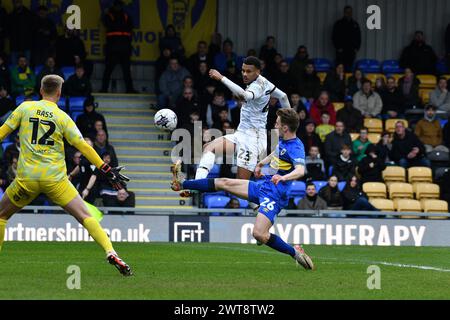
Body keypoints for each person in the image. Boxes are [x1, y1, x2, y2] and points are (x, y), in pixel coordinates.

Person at [0, 75, 132, 275]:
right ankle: (110, 251)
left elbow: (2, 132)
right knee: (86, 216)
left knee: (1, 216)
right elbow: (83, 147)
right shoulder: (62, 117)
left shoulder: (24, 108)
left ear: (41, 90)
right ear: (59, 94)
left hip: (27, 179)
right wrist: (105, 168)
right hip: (55, 181)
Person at [171, 108, 314, 270]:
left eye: (278, 123)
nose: (275, 124)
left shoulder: (296, 147)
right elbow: (277, 152)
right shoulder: (284, 141)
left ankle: (294, 251)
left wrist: (283, 177)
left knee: (259, 234)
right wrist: (261, 163)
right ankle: (182, 184)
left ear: (285, 128)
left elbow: (300, 170)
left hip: (275, 195)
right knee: (224, 182)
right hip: (264, 186)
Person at [192, 56, 290, 183]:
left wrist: (222, 78)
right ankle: (196, 184)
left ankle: (260, 203)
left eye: (249, 71)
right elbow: (283, 96)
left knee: (241, 184)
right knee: (209, 147)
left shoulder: (258, 86)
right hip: (242, 134)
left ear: (258, 71)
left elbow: (243, 96)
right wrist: (289, 118)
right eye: (243, 70)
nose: (244, 74)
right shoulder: (265, 82)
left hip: (253, 140)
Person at [100, 0, 137, 93]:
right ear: (113, 6)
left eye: (120, 5)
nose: (118, 7)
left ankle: (130, 89)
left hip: (125, 48)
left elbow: (131, 27)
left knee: (127, 71)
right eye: (117, 5)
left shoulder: (126, 16)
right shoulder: (109, 15)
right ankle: (104, 89)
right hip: (112, 48)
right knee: (108, 70)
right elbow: (105, 23)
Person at [332, 6, 361, 71]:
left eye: (350, 12)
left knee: (350, 69)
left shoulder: (355, 24)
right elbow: (334, 37)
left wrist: (357, 48)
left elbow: (358, 37)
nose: (349, 14)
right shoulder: (338, 24)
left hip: (351, 52)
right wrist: (338, 48)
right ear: (344, 13)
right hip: (341, 52)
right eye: (347, 12)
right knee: (340, 69)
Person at [8, 0, 34, 64]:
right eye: (15, 2)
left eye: (18, 2)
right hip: (14, 45)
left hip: (26, 45)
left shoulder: (29, 15)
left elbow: (32, 29)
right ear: (13, 3)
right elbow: (8, 30)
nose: (17, 4)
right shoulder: (11, 15)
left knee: (26, 66)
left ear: (21, 2)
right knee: (14, 67)